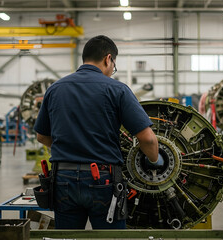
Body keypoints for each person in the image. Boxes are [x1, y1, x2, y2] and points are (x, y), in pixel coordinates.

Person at [34, 35, 162, 229]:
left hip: (63, 179)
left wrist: (72, 146)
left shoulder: (55, 89)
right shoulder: (118, 90)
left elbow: (41, 136)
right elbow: (148, 139)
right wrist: (155, 162)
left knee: (67, 237)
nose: (112, 71)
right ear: (108, 59)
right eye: (114, 66)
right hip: (102, 180)